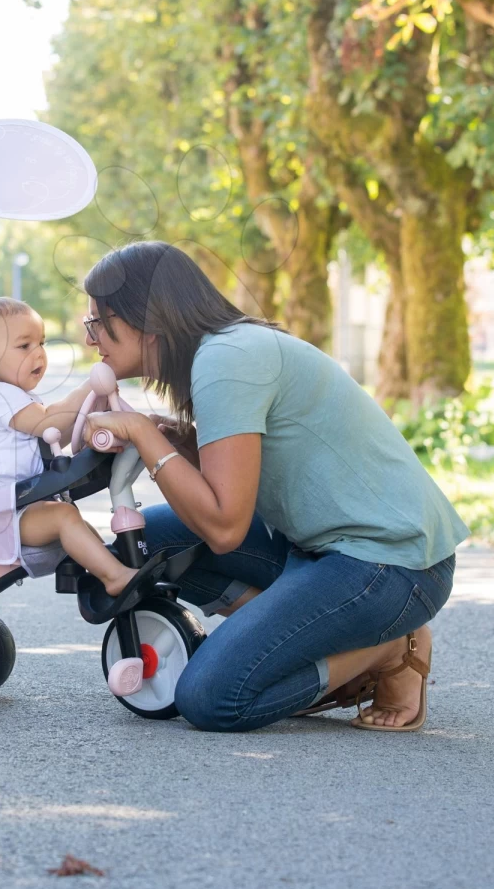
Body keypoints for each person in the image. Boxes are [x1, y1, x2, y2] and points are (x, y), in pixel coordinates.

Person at [80, 242, 467, 732]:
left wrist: (143, 433)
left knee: (211, 697)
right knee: (144, 546)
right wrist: (171, 435)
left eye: (98, 322)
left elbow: (224, 527)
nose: (92, 338)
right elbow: (232, 482)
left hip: (391, 564)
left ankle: (389, 650)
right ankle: (295, 640)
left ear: (144, 315)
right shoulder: (220, 353)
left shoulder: (228, 359)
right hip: (319, 550)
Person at [0, 297, 142, 597]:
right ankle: (114, 576)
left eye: (41, 343)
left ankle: (111, 565)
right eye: (24, 346)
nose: (39, 354)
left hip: (16, 505)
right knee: (64, 517)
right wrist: (90, 386)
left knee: (72, 519)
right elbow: (48, 424)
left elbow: (56, 436)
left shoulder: (16, 396)